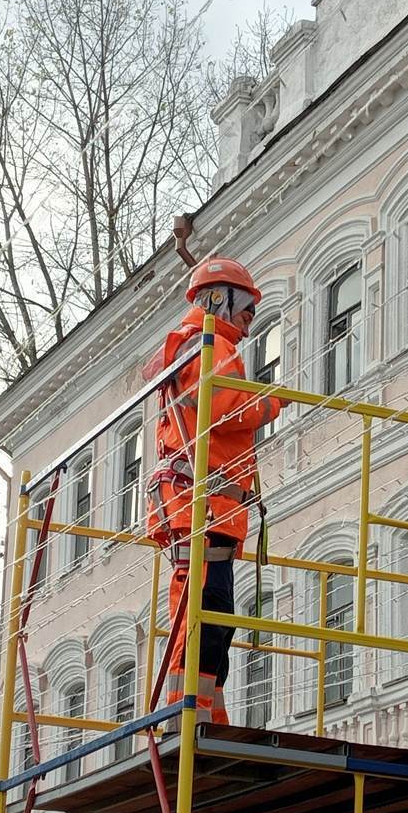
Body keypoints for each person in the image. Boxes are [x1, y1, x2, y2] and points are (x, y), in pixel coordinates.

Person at [142, 258, 282, 725]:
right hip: (199, 503)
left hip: (207, 504)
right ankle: (190, 710)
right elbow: (223, 404)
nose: (250, 318)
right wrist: (271, 402)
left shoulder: (206, 344)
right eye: (247, 307)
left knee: (212, 608)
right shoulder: (209, 345)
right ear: (220, 298)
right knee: (206, 605)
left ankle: (205, 708)